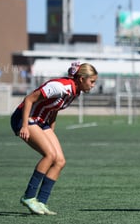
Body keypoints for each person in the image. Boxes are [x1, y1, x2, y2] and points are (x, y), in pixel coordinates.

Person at [11, 62, 98, 215]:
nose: (93, 85)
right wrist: (24, 126)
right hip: (25, 118)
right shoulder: (60, 86)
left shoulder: (75, 91)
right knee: (49, 155)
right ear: (81, 78)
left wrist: (51, 129)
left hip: (41, 121)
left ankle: (41, 202)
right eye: (92, 81)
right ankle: (29, 197)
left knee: (60, 161)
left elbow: (55, 108)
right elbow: (29, 99)